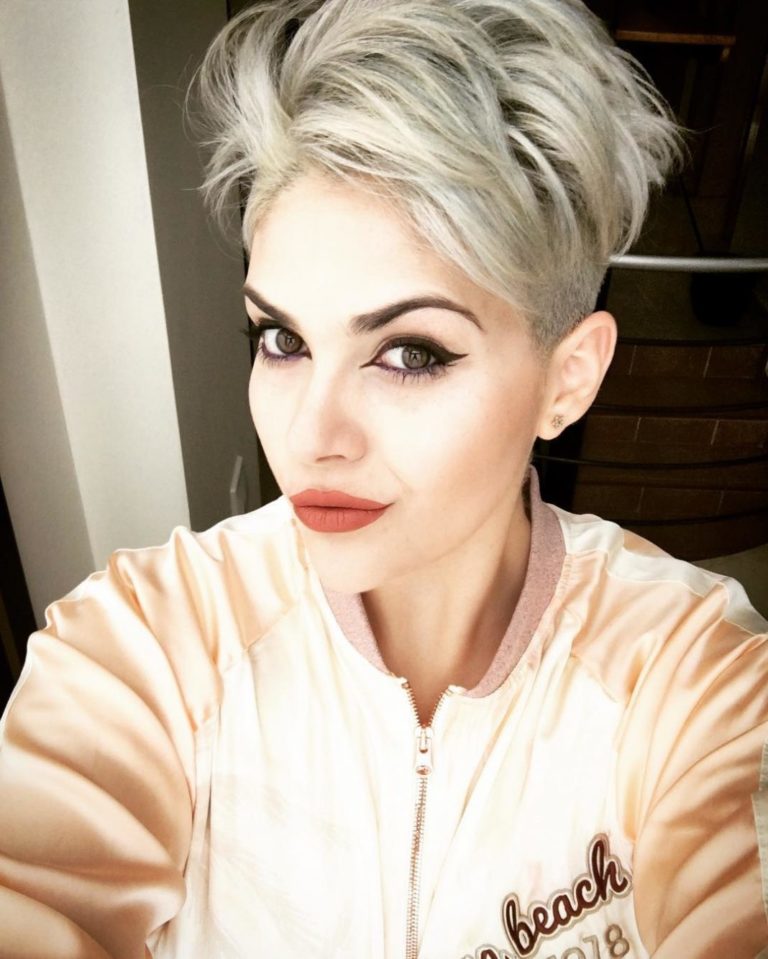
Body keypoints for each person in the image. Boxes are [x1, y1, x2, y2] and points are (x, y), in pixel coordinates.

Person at [1, 0, 766, 956]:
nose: (309, 436)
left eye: (409, 353)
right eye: (281, 340)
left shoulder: (691, 676)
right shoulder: (147, 645)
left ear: (568, 379)